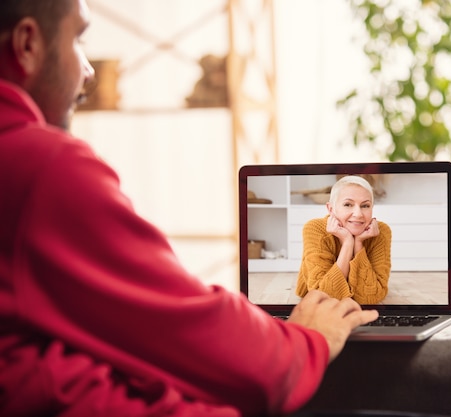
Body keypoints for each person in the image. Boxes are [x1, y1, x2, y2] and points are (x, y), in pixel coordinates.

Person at [0, 1, 379, 415]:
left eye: (364, 206)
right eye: (79, 39)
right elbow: (229, 350)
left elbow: (373, 290)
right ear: (27, 45)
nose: (89, 71)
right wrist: (310, 339)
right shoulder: (40, 169)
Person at [296, 176, 392, 304]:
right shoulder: (314, 229)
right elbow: (323, 297)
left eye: (365, 205)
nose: (358, 214)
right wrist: (347, 243)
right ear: (331, 209)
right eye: (348, 204)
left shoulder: (381, 232)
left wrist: (358, 245)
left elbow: (372, 297)